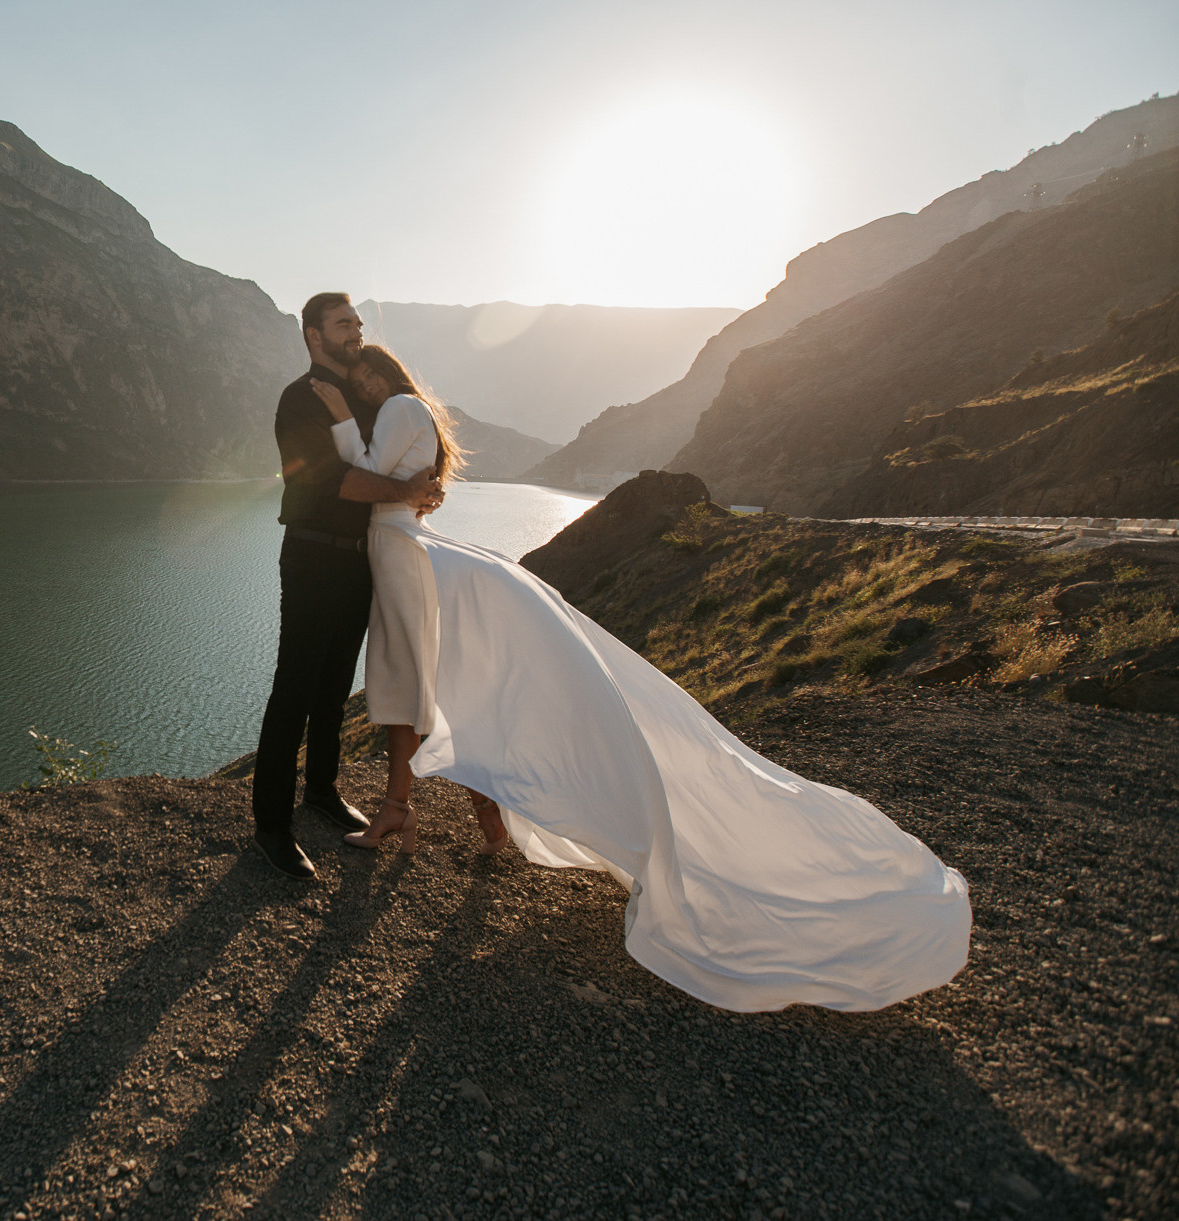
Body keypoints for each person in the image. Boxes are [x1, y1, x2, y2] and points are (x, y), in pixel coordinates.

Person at [308, 345, 971, 1012]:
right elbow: (396, 483)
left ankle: (420, 809)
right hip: (400, 550)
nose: (364, 385)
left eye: (369, 374)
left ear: (388, 374)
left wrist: (338, 416)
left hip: (404, 552)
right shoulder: (405, 411)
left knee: (418, 684)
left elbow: (361, 478)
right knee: (435, 683)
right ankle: (463, 813)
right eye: (356, 380)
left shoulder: (398, 406)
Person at [250, 294, 441, 881]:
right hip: (312, 554)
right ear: (314, 335)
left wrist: (422, 488)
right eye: (342, 324)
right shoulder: (299, 399)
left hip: (360, 559)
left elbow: (395, 456)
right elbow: (340, 482)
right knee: (295, 686)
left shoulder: (363, 399)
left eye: (357, 322)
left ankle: (321, 793)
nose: (356, 330)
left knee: (333, 688)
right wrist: (407, 491)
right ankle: (271, 826)